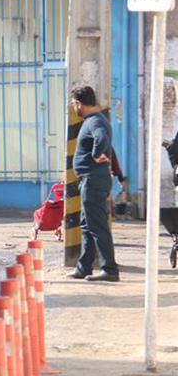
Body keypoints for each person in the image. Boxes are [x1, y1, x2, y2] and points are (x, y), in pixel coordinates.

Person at [69, 85, 119, 282]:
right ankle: (84, 267)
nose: (75, 108)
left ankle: (110, 270)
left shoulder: (95, 121)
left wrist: (97, 154)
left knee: (97, 226)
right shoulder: (95, 120)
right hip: (90, 181)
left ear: (80, 104)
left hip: (93, 181)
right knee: (87, 225)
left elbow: (102, 138)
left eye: (75, 104)